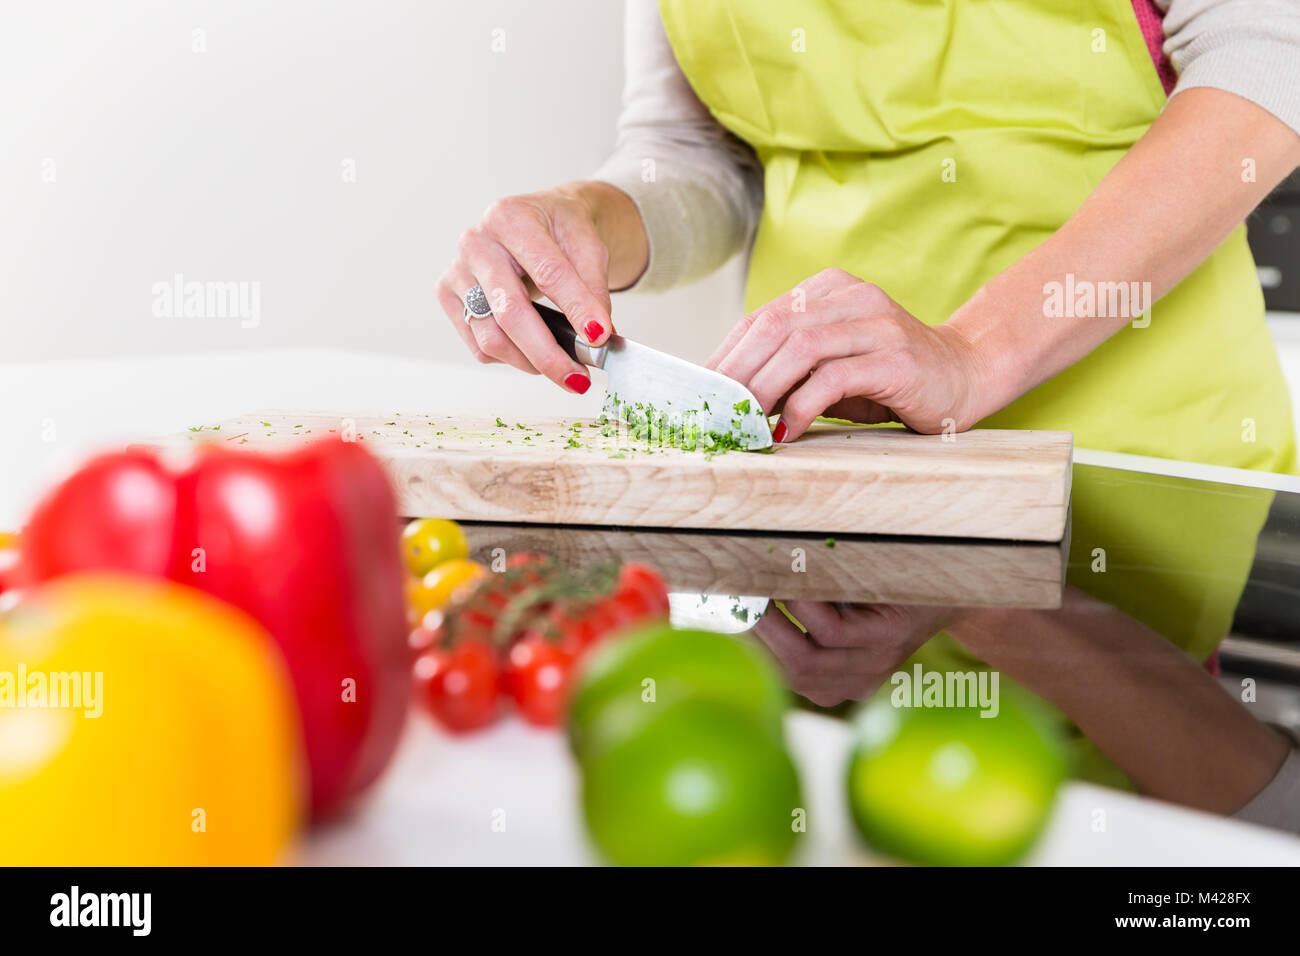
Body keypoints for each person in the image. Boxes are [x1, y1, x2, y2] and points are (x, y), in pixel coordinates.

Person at [438, 0, 1300, 472]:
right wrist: (585, 219)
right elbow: (694, 151)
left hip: (1136, 464)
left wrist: (974, 351)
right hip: (825, 465)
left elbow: (1270, 52)